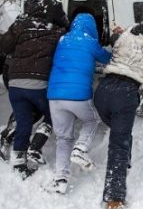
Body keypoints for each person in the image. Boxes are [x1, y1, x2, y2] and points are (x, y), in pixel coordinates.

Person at [94, 21, 143, 209]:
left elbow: (117, 40)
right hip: (126, 93)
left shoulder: (122, 40)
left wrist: (119, 32)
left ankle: (125, 160)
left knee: (119, 133)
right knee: (119, 143)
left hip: (103, 91)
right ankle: (115, 199)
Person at [0, 0, 68, 177]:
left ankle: (18, 163)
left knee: (24, 122)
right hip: (38, 85)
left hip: (15, 84)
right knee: (53, 114)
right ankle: (35, 147)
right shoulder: (56, 31)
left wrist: (18, 27)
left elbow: (4, 46)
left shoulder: (21, 25)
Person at [46, 13, 112, 193]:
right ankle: (81, 149)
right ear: (92, 28)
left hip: (55, 95)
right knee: (92, 120)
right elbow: (108, 59)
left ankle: (60, 179)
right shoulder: (90, 42)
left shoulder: (62, 40)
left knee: (63, 138)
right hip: (78, 94)